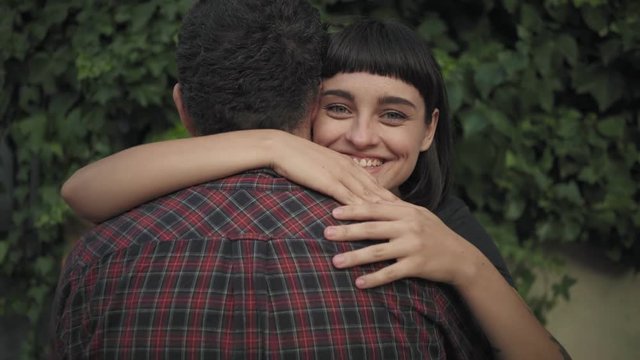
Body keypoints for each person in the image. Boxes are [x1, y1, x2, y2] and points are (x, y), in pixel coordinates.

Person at [61, 14, 571, 360]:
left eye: (393, 115)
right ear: (308, 112)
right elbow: (85, 189)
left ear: (429, 130)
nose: (361, 136)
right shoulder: (283, 163)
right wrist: (271, 144)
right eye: (339, 108)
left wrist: (466, 264)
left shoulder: (443, 221)